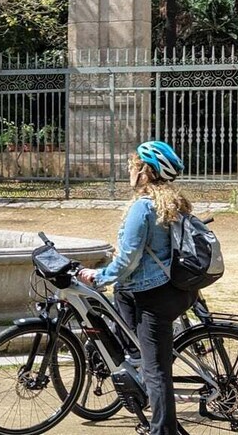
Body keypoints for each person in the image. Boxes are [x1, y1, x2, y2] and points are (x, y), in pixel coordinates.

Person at [79, 140, 196, 435]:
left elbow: (128, 260)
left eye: (133, 165)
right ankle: (138, 364)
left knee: (157, 371)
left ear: (145, 172)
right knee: (127, 308)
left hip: (152, 294)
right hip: (175, 289)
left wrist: (98, 276)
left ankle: (163, 431)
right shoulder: (175, 202)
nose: (129, 170)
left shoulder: (143, 208)